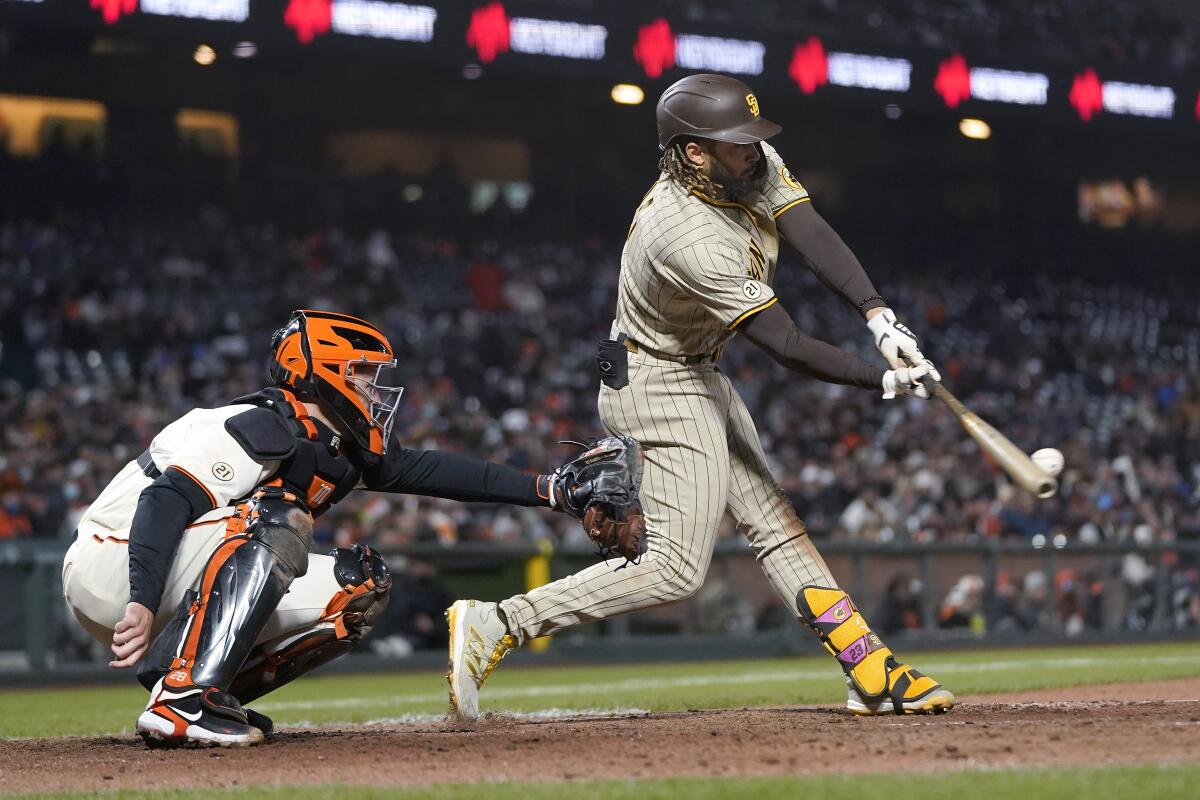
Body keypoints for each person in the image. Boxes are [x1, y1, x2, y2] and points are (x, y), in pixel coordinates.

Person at [446, 74, 954, 719]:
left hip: (695, 366)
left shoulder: (739, 164)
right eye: (738, 143)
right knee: (678, 570)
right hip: (657, 379)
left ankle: (867, 666)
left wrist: (878, 316)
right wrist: (881, 378)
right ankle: (500, 621)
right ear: (693, 151)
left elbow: (807, 226)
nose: (755, 150)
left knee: (774, 522)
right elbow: (787, 342)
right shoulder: (683, 233)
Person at [62, 309, 601, 747]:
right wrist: (141, 596)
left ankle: (202, 693)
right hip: (115, 563)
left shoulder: (333, 445)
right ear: (327, 373)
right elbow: (166, 497)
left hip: (161, 572)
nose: (375, 389)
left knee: (360, 586)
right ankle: (184, 696)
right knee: (278, 518)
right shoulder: (264, 422)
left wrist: (548, 490)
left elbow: (436, 471)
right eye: (364, 375)